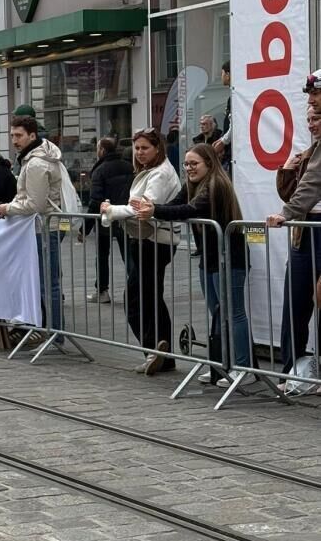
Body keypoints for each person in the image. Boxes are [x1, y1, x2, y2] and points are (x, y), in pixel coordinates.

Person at [138, 143, 250, 385]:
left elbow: (189, 209)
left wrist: (154, 210)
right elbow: (175, 204)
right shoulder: (191, 185)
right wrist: (153, 209)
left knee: (233, 313)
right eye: (186, 164)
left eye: (194, 163)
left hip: (230, 257)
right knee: (216, 313)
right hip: (209, 258)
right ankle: (220, 365)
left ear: (209, 164)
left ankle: (244, 368)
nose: (189, 168)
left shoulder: (216, 185)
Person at [101, 128, 181, 374]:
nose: (139, 152)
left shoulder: (160, 173)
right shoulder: (151, 170)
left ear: (157, 148)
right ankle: (160, 353)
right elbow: (138, 207)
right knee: (149, 297)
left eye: (145, 148)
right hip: (145, 239)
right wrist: (117, 210)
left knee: (138, 299)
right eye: (136, 148)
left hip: (154, 241)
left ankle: (156, 351)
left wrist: (112, 210)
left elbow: (144, 208)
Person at [0, 115, 67, 333]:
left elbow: (36, 203)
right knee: (44, 283)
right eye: (12, 135)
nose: (14, 140)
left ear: (32, 136)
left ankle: (54, 333)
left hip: (44, 228)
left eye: (19, 135)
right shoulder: (32, 158)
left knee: (48, 284)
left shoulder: (36, 163)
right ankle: (48, 331)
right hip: (40, 227)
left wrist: (8, 208)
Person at [268, 96, 321, 381]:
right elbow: (293, 194)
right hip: (304, 232)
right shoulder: (307, 154)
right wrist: (287, 170)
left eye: (317, 118)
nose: (312, 124)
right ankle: (291, 372)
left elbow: (311, 188)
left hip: (314, 228)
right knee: (295, 303)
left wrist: (286, 213)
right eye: (309, 119)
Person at [83, 138, 134, 303]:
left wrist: (84, 229)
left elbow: (95, 201)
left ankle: (102, 291)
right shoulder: (129, 166)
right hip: (125, 216)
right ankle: (137, 288)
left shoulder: (100, 170)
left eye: (97, 148)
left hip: (106, 218)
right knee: (129, 255)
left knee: (102, 255)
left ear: (102, 151)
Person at [213, 60, 232, 171]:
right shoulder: (233, 95)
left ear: (228, 75)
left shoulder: (234, 97)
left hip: (233, 151)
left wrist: (223, 141)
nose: (221, 76)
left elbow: (235, 125)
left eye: (222, 73)